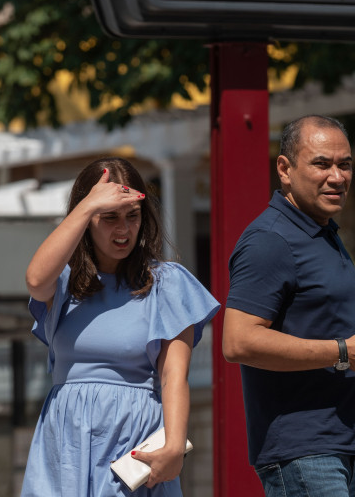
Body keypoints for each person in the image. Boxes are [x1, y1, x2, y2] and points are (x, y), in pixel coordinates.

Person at [222, 114, 355, 497]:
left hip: (339, 446)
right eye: (322, 164)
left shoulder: (323, 233)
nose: (337, 177)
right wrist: (343, 353)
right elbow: (238, 342)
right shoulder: (270, 240)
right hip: (305, 453)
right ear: (285, 170)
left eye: (345, 164)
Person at [19, 157, 220, 497]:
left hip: (133, 439)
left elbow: (174, 374)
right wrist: (88, 206)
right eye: (109, 217)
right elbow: (35, 279)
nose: (123, 230)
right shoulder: (64, 281)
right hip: (66, 439)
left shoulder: (167, 283)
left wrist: (173, 446)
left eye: (132, 216)